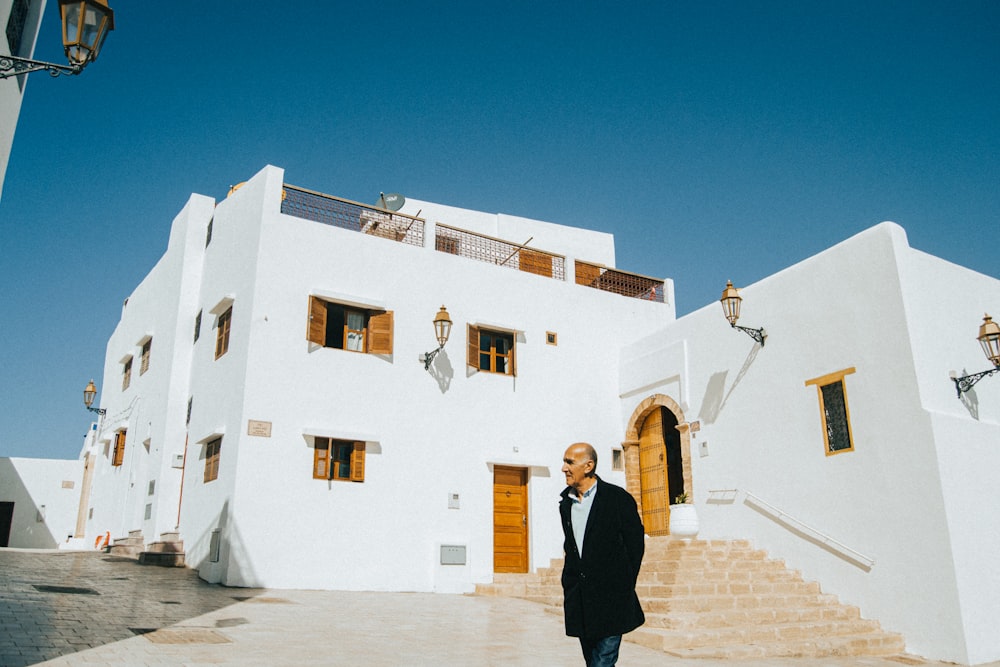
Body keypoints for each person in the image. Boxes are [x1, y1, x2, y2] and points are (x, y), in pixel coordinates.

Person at [559, 442, 645, 667]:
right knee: (593, 662)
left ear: (588, 466)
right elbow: (572, 547)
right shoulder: (565, 504)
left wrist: (623, 584)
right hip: (581, 601)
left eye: (570, 462)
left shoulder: (618, 499)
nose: (564, 468)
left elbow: (635, 547)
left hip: (612, 599)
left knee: (602, 663)